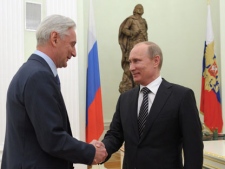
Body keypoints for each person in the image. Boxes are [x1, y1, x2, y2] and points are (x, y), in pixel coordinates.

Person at [1, 14, 107, 169]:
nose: (74, 52)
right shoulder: (38, 76)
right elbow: (52, 139)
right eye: (72, 44)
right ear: (55, 38)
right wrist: (90, 152)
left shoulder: (30, 71)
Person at [102, 41, 203, 169]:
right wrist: (99, 150)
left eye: (136, 61)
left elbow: (193, 147)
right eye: (130, 62)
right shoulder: (125, 99)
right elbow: (115, 135)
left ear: (156, 61)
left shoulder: (182, 96)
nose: (131, 67)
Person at [118, 4, 148, 93]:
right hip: (133, 46)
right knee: (131, 66)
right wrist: (132, 33)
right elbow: (124, 29)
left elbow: (146, 33)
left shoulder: (144, 21)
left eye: (141, 8)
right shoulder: (131, 20)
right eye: (139, 8)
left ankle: (140, 84)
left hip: (143, 46)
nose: (140, 9)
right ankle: (130, 84)